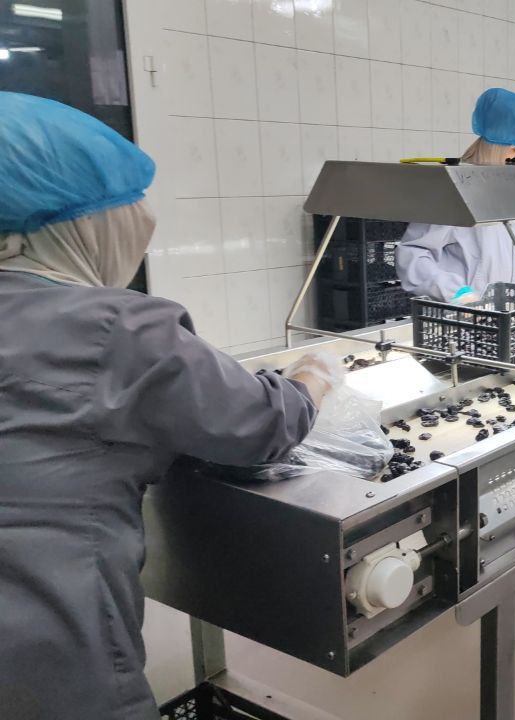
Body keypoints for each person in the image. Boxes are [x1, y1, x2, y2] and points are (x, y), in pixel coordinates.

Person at [0, 93, 336, 720]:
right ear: (78, 230)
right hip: (49, 652)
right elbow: (262, 423)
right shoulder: (114, 329)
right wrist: (311, 376)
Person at [396, 88, 515, 303]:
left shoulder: (512, 193)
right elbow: (413, 254)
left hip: (508, 313)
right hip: (464, 317)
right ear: (494, 146)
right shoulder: (452, 192)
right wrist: (456, 294)